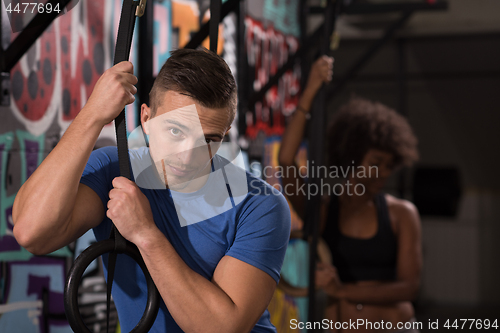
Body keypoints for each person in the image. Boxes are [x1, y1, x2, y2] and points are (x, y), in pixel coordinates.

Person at [12, 48, 291, 332]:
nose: (187, 156)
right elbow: (32, 234)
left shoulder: (260, 205)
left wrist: (145, 234)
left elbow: (221, 328)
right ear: (146, 119)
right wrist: (93, 114)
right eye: (175, 132)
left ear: (225, 133)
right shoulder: (115, 169)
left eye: (208, 139)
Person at [278, 56, 422, 332]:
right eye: (375, 163)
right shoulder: (323, 210)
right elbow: (286, 160)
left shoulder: (401, 213)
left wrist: (343, 291)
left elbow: (409, 287)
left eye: (389, 166)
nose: (383, 173)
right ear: (352, 157)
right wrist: (309, 92)